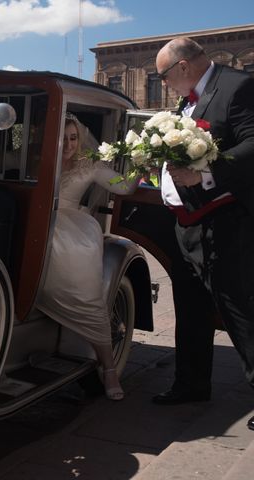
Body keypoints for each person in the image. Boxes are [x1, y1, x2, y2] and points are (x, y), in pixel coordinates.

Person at [152, 37, 254, 431]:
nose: (162, 84)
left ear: (181, 67)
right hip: (187, 222)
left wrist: (205, 173)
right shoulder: (186, 101)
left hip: (226, 220)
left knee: (239, 309)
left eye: (162, 76)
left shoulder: (237, 86)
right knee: (190, 306)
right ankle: (191, 383)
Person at [37, 113, 139, 401]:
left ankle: (108, 369)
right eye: (63, 137)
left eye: (73, 138)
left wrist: (143, 162)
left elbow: (125, 187)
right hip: (38, 219)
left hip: (70, 226)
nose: (68, 144)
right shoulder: (37, 159)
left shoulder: (90, 166)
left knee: (82, 280)